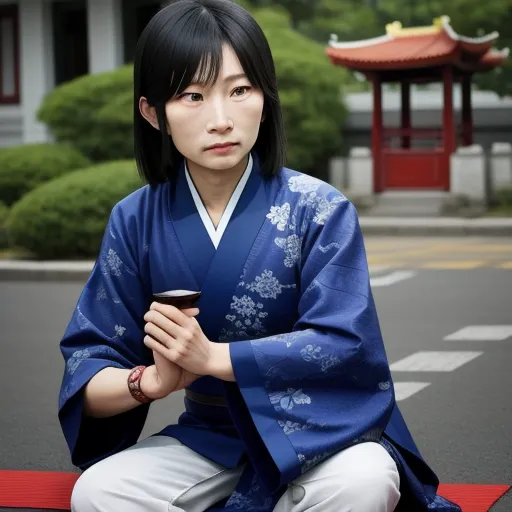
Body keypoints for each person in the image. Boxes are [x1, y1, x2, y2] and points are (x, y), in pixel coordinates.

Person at [58, 1, 462, 511]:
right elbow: (89, 371)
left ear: (265, 99)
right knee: (99, 491)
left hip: (323, 432)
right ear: (152, 112)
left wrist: (212, 359)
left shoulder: (319, 208)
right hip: (212, 438)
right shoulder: (134, 219)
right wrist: (151, 381)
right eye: (192, 95)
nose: (221, 120)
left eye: (240, 90)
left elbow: (344, 344)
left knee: (365, 479)